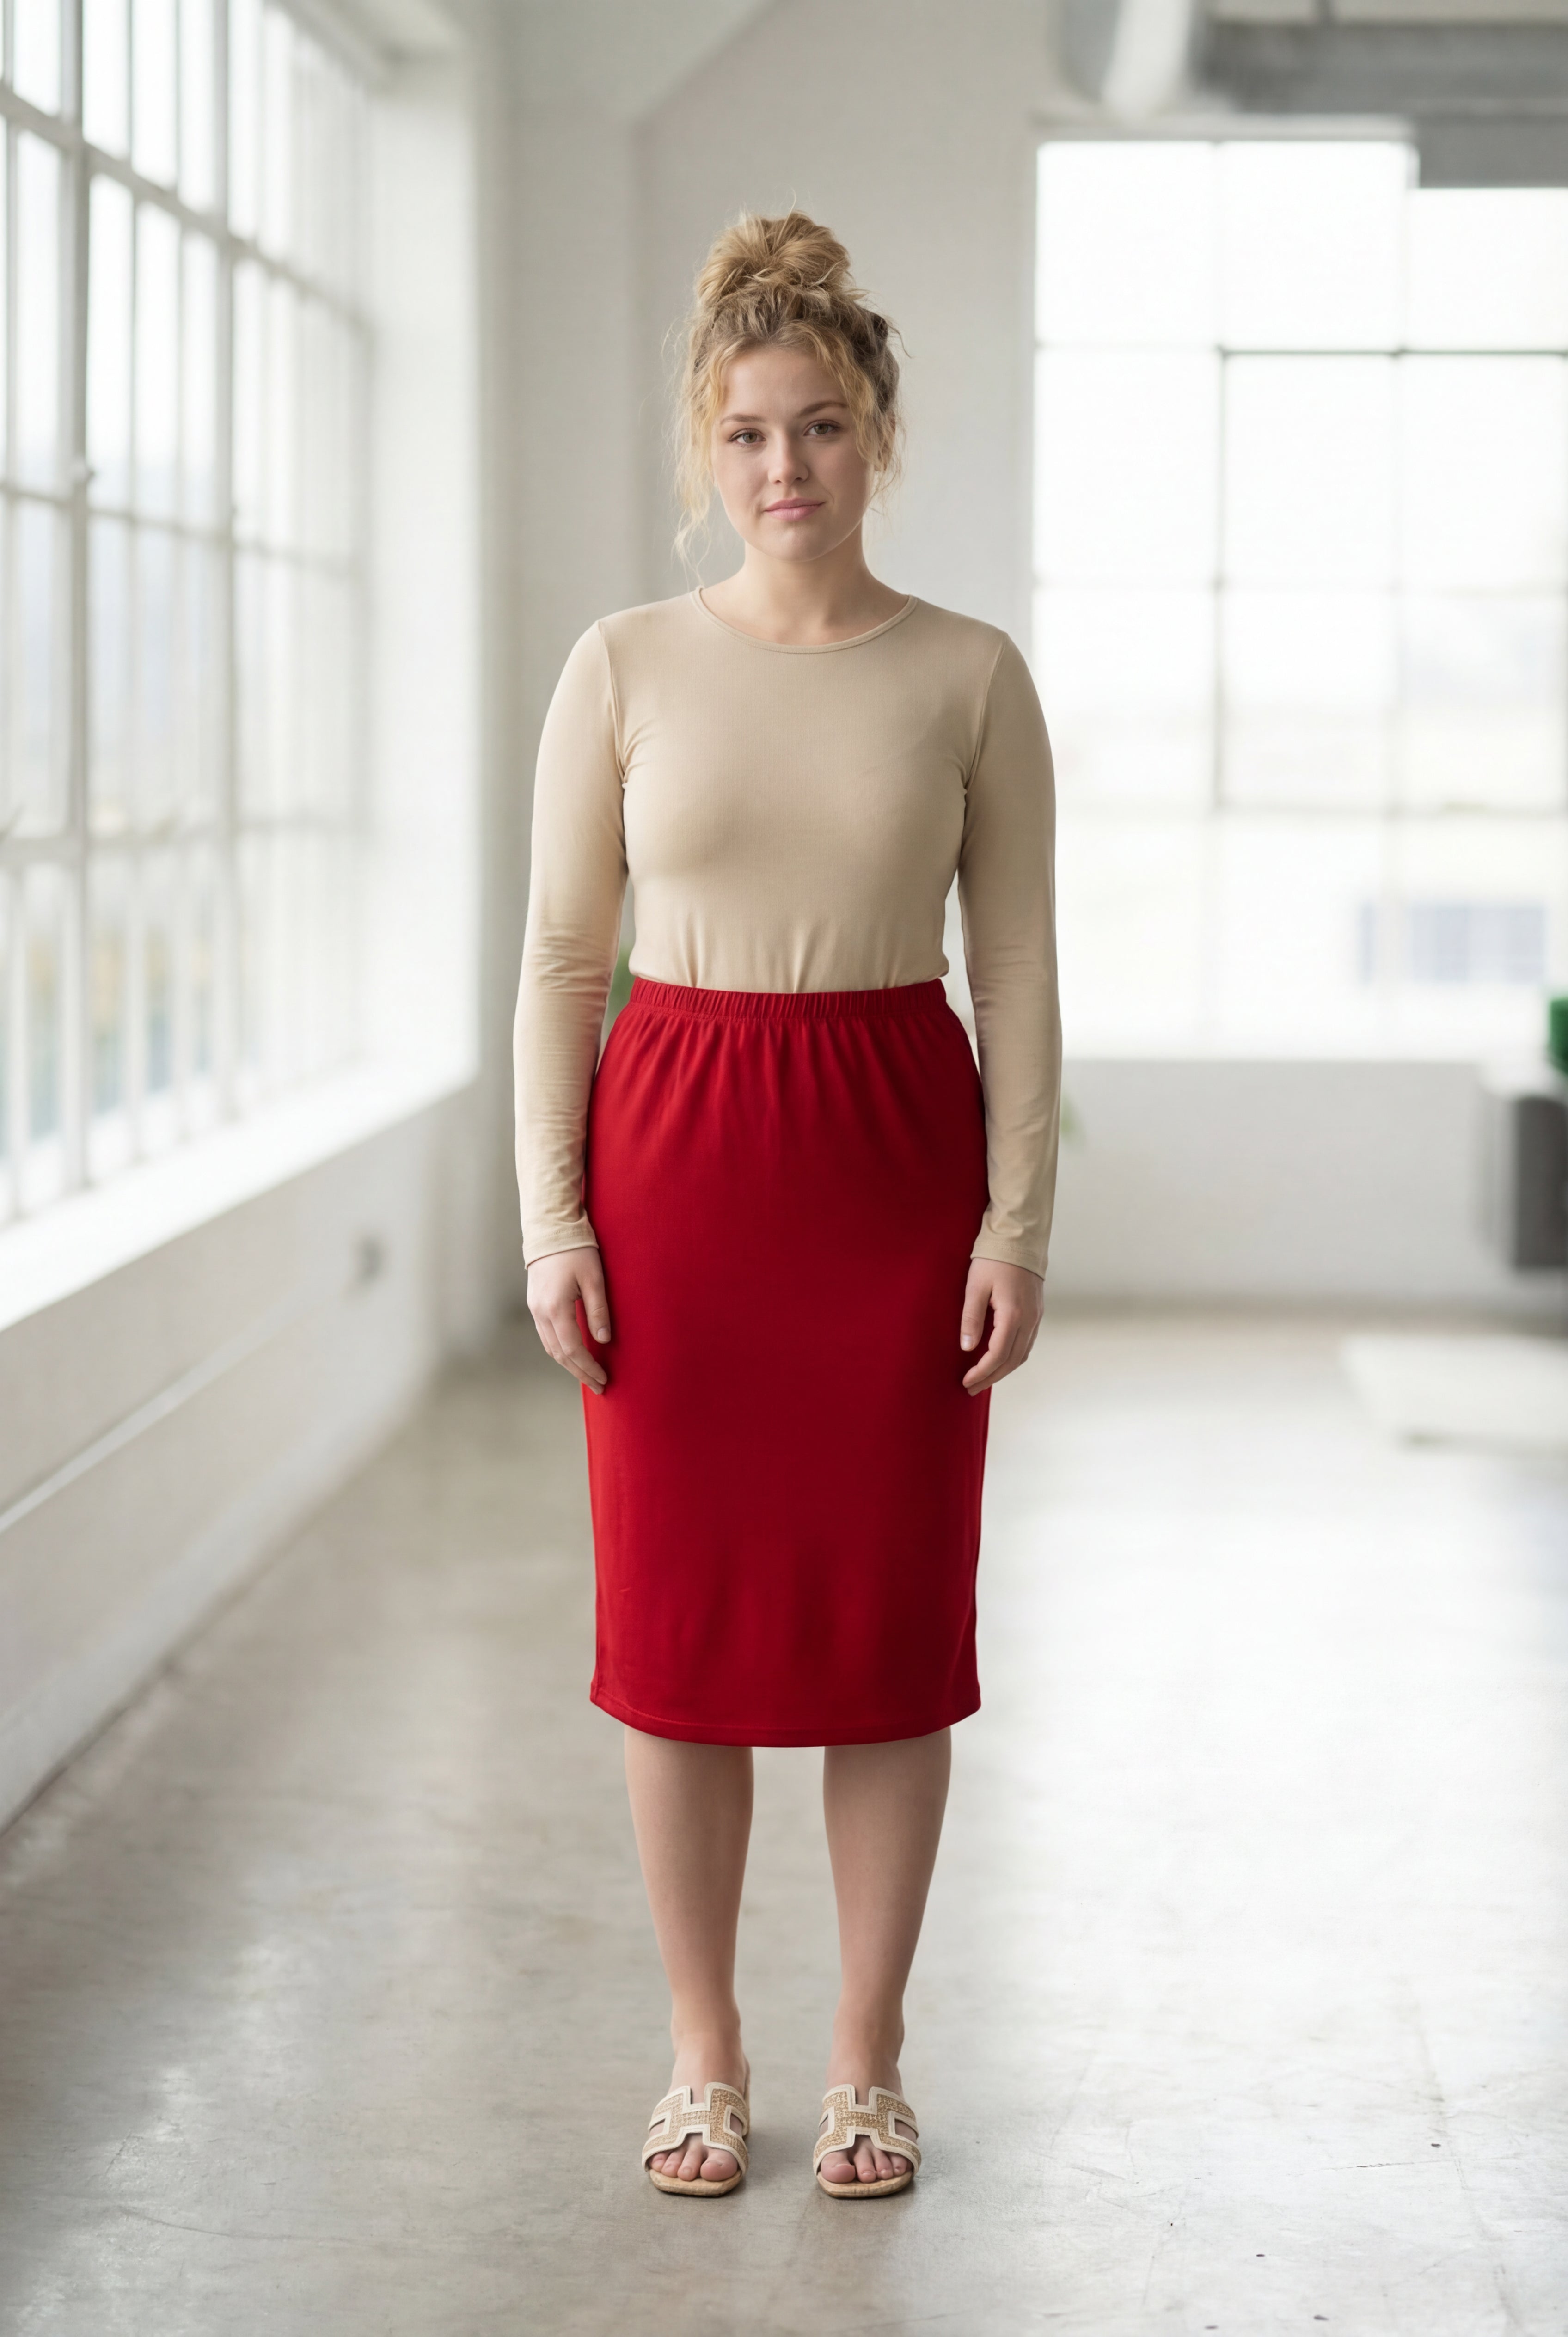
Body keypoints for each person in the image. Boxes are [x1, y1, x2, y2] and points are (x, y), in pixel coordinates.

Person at [513, 209, 1060, 2201]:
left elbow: (1016, 976)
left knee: (884, 1628)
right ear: (702, 450)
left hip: (889, 1157)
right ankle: (701, 2052)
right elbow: (562, 965)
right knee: (678, 1634)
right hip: (675, 1159)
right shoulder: (623, 664)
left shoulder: (969, 677)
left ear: (876, 433)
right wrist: (550, 1222)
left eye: (818, 427)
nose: (783, 469)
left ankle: (863, 2053)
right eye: (745, 434)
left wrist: (1014, 1228)